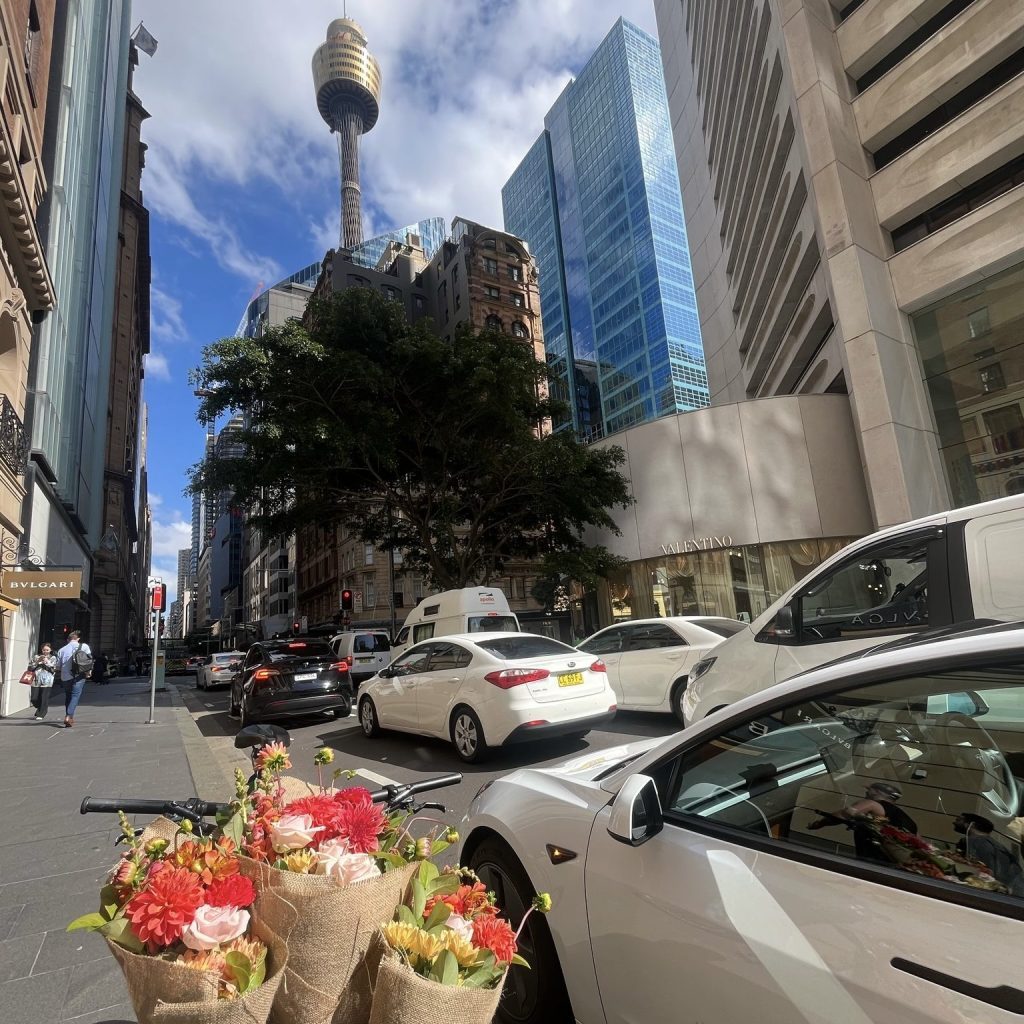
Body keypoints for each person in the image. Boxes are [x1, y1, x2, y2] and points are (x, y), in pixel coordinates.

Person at [808, 781, 918, 862]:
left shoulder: (872, 804)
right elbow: (919, 844)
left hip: (872, 862)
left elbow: (841, 816)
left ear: (877, 792)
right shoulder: (910, 822)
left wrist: (819, 824)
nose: (866, 792)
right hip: (898, 867)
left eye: (869, 790)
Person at [955, 812, 1024, 896]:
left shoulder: (979, 842)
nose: (954, 822)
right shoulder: (991, 843)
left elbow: (984, 875)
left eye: (958, 820)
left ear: (971, 825)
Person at [55, 629, 92, 728]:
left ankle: (69, 716)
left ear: (68, 640)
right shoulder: (84, 646)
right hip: (79, 675)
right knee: (75, 695)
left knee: (68, 696)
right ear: (78, 639)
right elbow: (89, 661)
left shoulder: (62, 650)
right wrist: (88, 672)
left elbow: (57, 666)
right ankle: (68, 716)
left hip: (65, 677)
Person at [27, 643, 56, 721]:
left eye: (47, 650)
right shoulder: (36, 657)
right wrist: (37, 662)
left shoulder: (53, 658)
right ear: (41, 650)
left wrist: (47, 662)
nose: (45, 651)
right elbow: (30, 667)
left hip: (47, 680)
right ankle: (39, 707)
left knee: (44, 697)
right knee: (34, 698)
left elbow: (54, 668)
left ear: (50, 650)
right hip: (36, 679)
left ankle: (42, 713)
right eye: (44, 650)